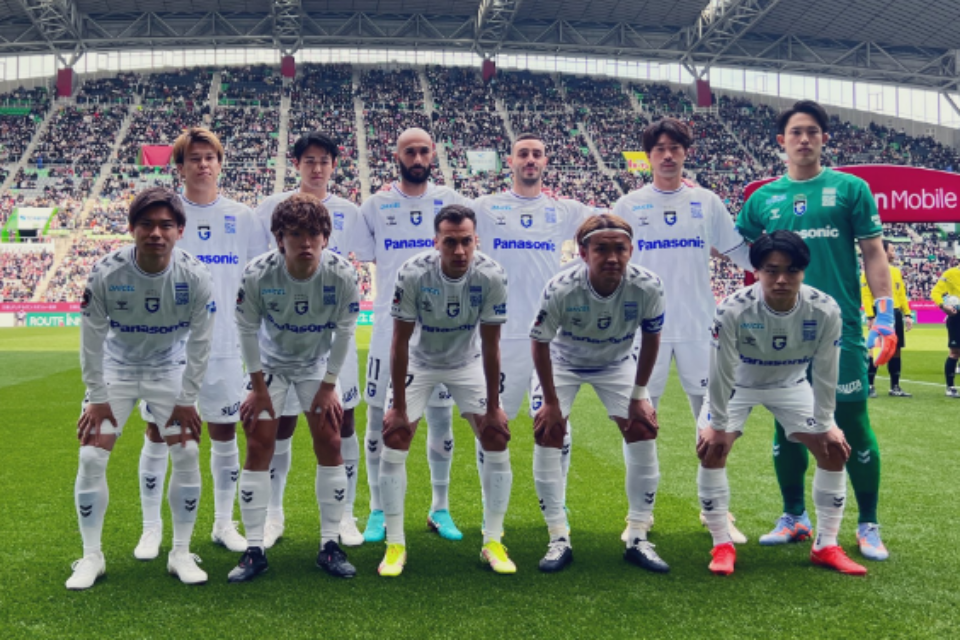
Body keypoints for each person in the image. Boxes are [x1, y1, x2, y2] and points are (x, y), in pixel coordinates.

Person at [737, 100, 894, 561]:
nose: (803, 139)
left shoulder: (850, 189)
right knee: (787, 423)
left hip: (839, 328)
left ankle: (867, 523)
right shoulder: (762, 199)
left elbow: (873, 252)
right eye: (795, 132)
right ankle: (795, 517)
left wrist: (884, 313)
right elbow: (742, 252)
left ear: (824, 138)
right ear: (781, 141)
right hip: (780, 329)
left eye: (812, 131)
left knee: (852, 423)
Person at [611, 117, 752, 545]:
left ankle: (716, 513)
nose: (668, 155)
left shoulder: (706, 202)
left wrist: (789, 265)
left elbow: (741, 253)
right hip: (643, 332)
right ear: (648, 156)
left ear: (685, 152)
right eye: (660, 149)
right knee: (637, 423)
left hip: (699, 329)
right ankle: (639, 517)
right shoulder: (628, 205)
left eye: (675, 148)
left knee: (713, 423)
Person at [67, 187, 216, 590]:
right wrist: (97, 396)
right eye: (146, 224)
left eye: (166, 225)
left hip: (168, 367)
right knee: (91, 456)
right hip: (116, 367)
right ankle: (91, 557)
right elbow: (91, 339)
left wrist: (187, 399)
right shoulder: (106, 272)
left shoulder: (196, 276)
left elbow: (201, 343)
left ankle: (180, 553)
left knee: (187, 452)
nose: (156, 233)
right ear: (131, 228)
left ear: (180, 230)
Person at [135, 128, 270, 560]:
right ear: (180, 167)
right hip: (170, 347)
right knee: (159, 432)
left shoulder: (243, 217)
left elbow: (256, 278)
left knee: (225, 432)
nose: (203, 164)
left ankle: (223, 523)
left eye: (210, 157)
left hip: (226, 343)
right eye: (194, 158)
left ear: (220, 163)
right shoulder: (165, 215)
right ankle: (151, 528)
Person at [697, 230, 866, 576]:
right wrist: (717, 424)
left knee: (833, 449)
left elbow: (826, 371)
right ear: (757, 271)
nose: (781, 279)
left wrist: (827, 423)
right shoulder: (732, 309)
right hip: (738, 384)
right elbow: (720, 371)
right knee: (712, 448)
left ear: (803, 271)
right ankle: (722, 544)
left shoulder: (824, 309)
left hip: (790, 384)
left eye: (791, 270)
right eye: (771, 270)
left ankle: (826, 545)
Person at [229, 193, 360, 582]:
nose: (306, 242)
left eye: (314, 234)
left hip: (316, 366)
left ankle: (329, 545)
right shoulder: (257, 274)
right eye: (296, 234)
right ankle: (254, 549)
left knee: (331, 442)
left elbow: (345, 332)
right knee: (258, 445)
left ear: (325, 237)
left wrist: (329, 386)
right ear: (279, 238)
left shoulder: (342, 274)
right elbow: (246, 330)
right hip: (271, 367)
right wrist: (257, 387)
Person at [377, 204, 512, 577]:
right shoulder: (413, 273)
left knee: (496, 435)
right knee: (396, 435)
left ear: (476, 240)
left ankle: (493, 540)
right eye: (450, 242)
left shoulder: (492, 275)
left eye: (466, 241)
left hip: (466, 362)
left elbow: (492, 345)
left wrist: (494, 406)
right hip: (419, 361)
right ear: (436, 242)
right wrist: (398, 407)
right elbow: (399, 342)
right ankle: (395, 544)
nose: (459, 251)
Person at [529, 215, 668, 574]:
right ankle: (558, 536)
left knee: (643, 429)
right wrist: (551, 402)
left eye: (620, 249)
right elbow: (540, 343)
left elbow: (652, 338)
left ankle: (637, 535)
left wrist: (639, 395)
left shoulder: (648, 285)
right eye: (601, 249)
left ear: (631, 250)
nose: (612, 257)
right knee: (548, 431)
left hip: (616, 362)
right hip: (563, 362)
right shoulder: (561, 287)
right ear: (583, 253)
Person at [353, 127, 473, 543]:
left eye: (423, 151)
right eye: (410, 152)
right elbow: (368, 258)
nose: (417, 158)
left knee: (441, 420)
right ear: (397, 155)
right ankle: (377, 509)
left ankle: (440, 507)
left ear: (433, 153)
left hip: (441, 334)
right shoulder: (375, 205)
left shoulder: (452, 201)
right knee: (377, 420)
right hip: (389, 331)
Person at [472, 132, 594, 521]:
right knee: (492, 425)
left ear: (545, 162)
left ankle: (558, 501)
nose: (529, 159)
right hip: (500, 337)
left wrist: (673, 184)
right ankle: (492, 507)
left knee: (556, 424)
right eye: (522, 153)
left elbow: (613, 219)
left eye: (536, 154)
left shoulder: (563, 210)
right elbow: (440, 217)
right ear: (509, 162)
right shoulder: (486, 207)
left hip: (548, 337)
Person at [254, 132, 365, 548]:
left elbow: (359, 261)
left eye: (324, 161)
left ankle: (345, 515)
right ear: (296, 164)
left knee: (343, 420)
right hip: (282, 337)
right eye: (309, 161)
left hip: (332, 334)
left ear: (334, 165)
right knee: (279, 423)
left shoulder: (351, 212)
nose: (317, 168)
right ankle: (273, 514)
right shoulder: (270, 206)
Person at [862, 240, 913, 398]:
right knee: (876, 348)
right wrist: (871, 316)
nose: (894, 253)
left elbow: (901, 294)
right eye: (892, 250)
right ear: (883, 251)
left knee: (896, 350)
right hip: (879, 313)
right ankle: (870, 385)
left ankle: (895, 387)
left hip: (895, 313)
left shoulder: (896, 271)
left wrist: (907, 314)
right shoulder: (870, 271)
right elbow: (866, 294)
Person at [930, 262, 960, 397]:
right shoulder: (950, 273)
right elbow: (935, 292)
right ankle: (950, 387)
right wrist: (943, 306)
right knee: (954, 352)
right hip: (957, 316)